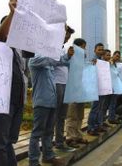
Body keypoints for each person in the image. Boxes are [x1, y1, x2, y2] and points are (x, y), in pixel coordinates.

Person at [0, 0, 26, 166]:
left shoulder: (19, 48)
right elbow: (0, 36)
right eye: (11, 24)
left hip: (18, 100)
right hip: (3, 101)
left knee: (9, 140)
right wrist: (12, 13)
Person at [28, 36, 74, 166]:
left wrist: (68, 56)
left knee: (49, 131)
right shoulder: (35, 59)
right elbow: (50, 59)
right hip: (41, 102)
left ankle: (48, 156)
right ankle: (33, 161)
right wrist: (54, 50)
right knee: (37, 133)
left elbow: (61, 61)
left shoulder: (49, 63)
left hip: (52, 101)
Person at [53, 24, 75, 152]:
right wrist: (67, 57)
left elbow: (68, 64)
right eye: (66, 35)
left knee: (62, 116)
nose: (67, 39)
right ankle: (49, 145)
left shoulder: (64, 49)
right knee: (54, 116)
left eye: (68, 37)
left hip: (65, 84)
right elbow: (55, 62)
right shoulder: (52, 47)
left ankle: (60, 142)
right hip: (56, 83)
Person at [65, 38, 89, 148]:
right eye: (83, 47)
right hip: (72, 89)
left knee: (80, 114)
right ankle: (70, 137)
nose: (85, 49)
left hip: (80, 89)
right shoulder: (70, 56)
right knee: (72, 114)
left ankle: (78, 135)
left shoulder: (82, 59)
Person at [87, 43, 105, 136]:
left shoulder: (102, 61)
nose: (101, 51)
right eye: (99, 49)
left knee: (99, 108)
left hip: (101, 87)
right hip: (95, 87)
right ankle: (90, 128)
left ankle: (97, 126)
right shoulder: (93, 60)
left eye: (102, 50)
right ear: (94, 50)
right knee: (94, 108)